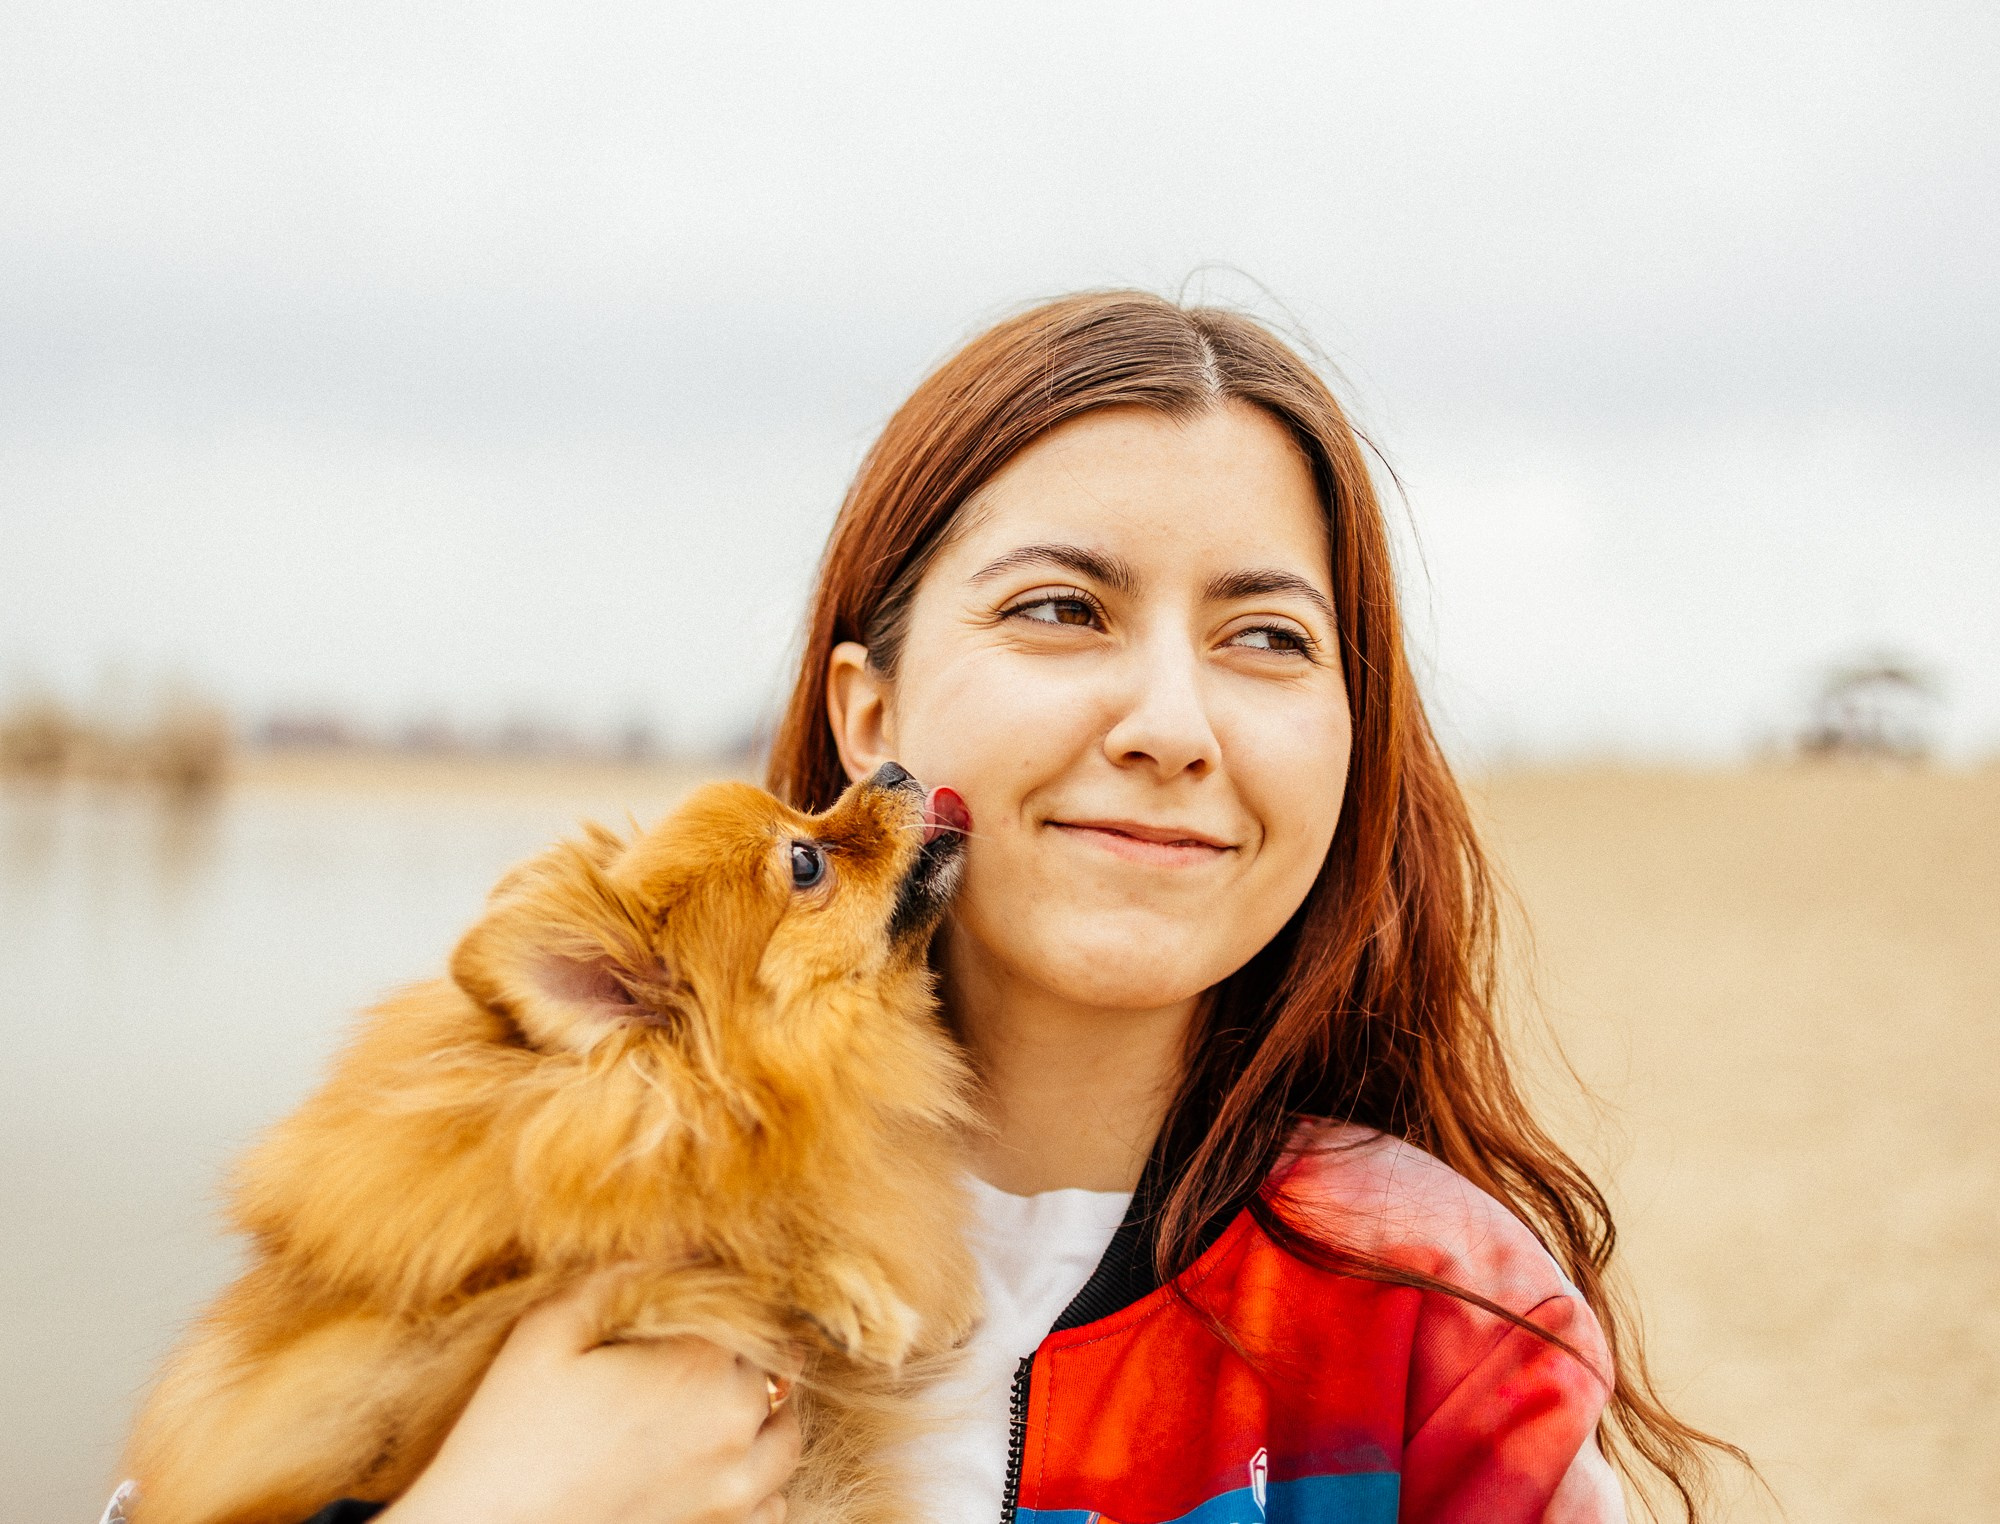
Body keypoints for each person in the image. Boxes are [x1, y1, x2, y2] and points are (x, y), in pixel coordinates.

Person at [286, 292, 1736, 1524]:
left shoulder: (1442, 1327)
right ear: (871, 716)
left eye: (1269, 637)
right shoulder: (525, 1218)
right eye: (1062, 610)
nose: (1173, 723)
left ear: (1354, 741)